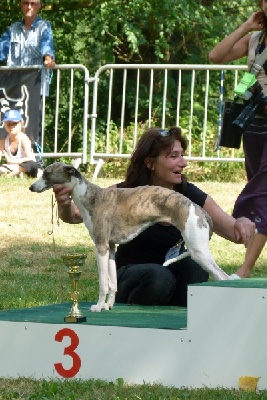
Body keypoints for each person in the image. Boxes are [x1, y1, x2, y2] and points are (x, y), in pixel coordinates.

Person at [53, 127, 255, 307]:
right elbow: (75, 215)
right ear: (150, 163)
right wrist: (64, 205)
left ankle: (181, 323)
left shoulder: (189, 195)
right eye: (173, 156)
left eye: (182, 155)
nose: (183, 163)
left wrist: (244, 221)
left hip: (171, 272)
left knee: (195, 270)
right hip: (133, 275)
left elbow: (235, 232)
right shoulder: (123, 192)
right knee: (158, 277)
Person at [209, 0, 267, 278]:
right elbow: (215, 56)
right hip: (254, 124)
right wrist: (246, 26)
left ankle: (245, 269)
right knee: (259, 193)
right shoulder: (255, 39)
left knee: (262, 192)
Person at [0, 1, 55, 92]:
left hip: (36, 87)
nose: (29, 7)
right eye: (26, 3)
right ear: (21, 5)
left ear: (38, 6)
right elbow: (1, 49)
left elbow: (47, 46)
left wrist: (48, 58)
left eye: (33, 3)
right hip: (14, 86)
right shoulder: (13, 28)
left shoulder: (44, 26)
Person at [0, 109, 39, 177]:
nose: (11, 126)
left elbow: (31, 158)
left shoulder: (24, 139)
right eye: (8, 124)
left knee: (32, 164)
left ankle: (10, 175)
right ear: (5, 125)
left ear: (21, 124)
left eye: (15, 123)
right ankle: (13, 173)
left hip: (25, 168)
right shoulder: (3, 141)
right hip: (11, 167)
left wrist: (12, 161)